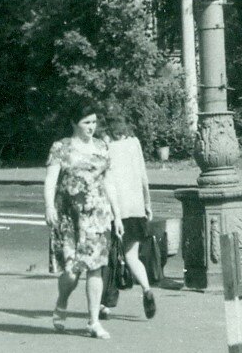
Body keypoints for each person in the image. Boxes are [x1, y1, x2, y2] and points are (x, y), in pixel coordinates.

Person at [44, 104, 123, 339]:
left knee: (95, 268)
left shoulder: (102, 147)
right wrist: (49, 207)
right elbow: (50, 180)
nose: (91, 127)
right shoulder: (61, 148)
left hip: (97, 217)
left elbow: (109, 183)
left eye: (94, 122)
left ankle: (93, 322)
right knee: (71, 271)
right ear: (74, 123)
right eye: (86, 122)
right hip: (68, 217)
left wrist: (117, 215)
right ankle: (62, 302)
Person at [104, 116, 159, 320]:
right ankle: (146, 289)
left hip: (114, 210)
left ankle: (105, 304)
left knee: (108, 258)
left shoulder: (106, 147)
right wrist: (147, 204)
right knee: (131, 256)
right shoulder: (135, 144)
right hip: (135, 209)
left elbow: (106, 180)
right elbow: (143, 177)